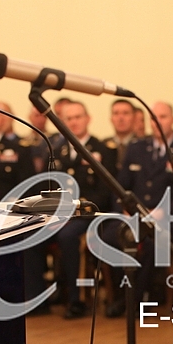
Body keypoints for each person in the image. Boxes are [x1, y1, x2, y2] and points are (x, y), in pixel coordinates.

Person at [104, 101, 173, 316]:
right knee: (110, 235)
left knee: (150, 241)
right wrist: (124, 209)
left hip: (171, 218)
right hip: (135, 215)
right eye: (153, 118)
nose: (157, 122)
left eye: (163, 117)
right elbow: (121, 186)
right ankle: (122, 295)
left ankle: (137, 300)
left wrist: (161, 212)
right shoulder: (137, 148)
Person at [43, 101, 118, 319]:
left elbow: (106, 193)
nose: (74, 122)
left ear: (88, 118)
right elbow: (49, 186)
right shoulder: (57, 151)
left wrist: (73, 210)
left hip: (90, 214)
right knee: (29, 230)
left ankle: (77, 300)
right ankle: (36, 295)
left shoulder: (104, 150)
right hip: (60, 213)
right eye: (69, 118)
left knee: (67, 236)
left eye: (78, 117)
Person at [108, 98, 139, 168]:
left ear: (134, 117)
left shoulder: (143, 146)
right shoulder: (103, 146)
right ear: (111, 118)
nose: (121, 118)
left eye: (125, 113)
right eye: (116, 113)